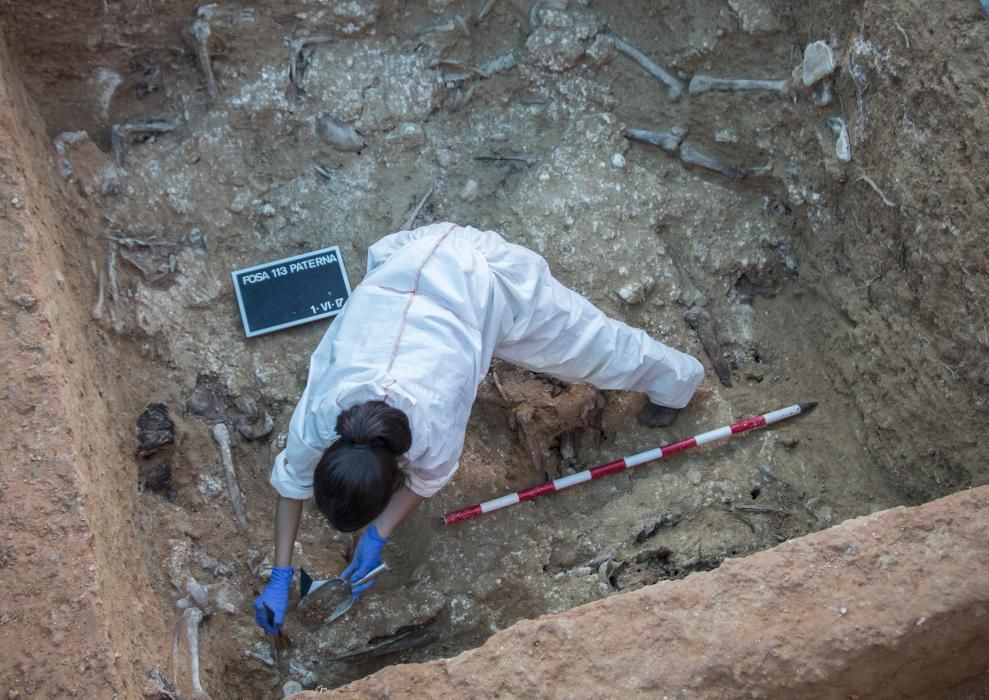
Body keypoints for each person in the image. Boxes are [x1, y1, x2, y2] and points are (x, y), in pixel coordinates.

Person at [253, 222, 704, 634]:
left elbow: (428, 479)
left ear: (395, 471)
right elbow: (292, 482)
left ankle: (679, 381)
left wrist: (377, 534)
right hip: (406, 263)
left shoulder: (432, 424)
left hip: (487, 282)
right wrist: (280, 573)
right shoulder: (320, 417)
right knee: (592, 349)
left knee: (596, 348)